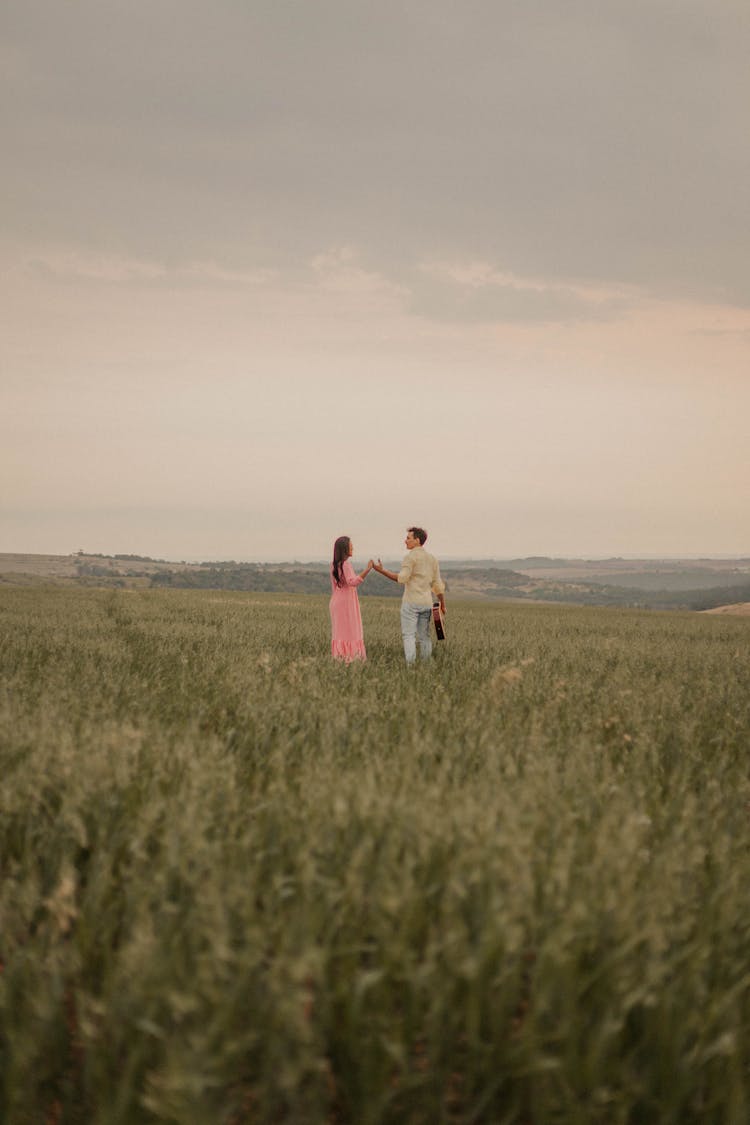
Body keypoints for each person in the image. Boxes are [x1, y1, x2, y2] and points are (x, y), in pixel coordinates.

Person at [373, 527, 446, 663]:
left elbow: (402, 578)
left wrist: (381, 571)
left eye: (408, 538)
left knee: (409, 636)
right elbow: (438, 585)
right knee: (425, 636)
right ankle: (425, 666)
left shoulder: (410, 557)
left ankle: (411, 667)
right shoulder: (432, 559)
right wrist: (443, 605)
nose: (405, 541)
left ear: (417, 540)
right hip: (426, 603)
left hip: (411, 602)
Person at [329, 536, 374, 662]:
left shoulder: (333, 565)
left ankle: (340, 658)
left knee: (340, 633)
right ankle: (352, 659)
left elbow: (334, 587)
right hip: (346, 604)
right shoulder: (346, 564)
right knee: (352, 632)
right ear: (345, 548)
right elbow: (352, 582)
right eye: (351, 545)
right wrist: (368, 569)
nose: (353, 547)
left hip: (336, 602)